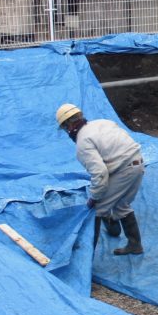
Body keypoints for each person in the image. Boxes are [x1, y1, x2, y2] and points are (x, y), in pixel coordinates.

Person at [56, 104, 144, 255]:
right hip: (138, 163)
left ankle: (85, 258)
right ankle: (135, 245)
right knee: (122, 205)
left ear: (68, 125)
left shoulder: (83, 142)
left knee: (97, 211)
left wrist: (94, 197)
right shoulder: (103, 122)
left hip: (124, 170)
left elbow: (100, 174)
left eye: (65, 128)